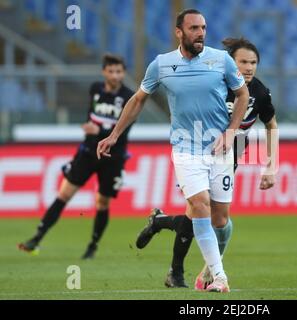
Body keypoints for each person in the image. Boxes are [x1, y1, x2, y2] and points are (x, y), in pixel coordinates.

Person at [96, 9, 249, 293]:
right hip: (185, 148)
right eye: (193, 28)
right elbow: (138, 99)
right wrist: (114, 134)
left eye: (203, 27)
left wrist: (231, 131)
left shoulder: (221, 60)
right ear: (179, 32)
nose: (200, 33)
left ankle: (161, 221)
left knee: (219, 218)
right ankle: (220, 277)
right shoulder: (161, 65)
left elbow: (243, 95)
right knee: (200, 204)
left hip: (219, 148)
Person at [135, 37, 279, 289]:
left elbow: (271, 126)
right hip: (195, 151)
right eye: (242, 62)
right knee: (197, 210)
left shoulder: (259, 92)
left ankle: (160, 222)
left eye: (253, 62)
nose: (248, 68)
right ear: (228, 63)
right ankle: (180, 273)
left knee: (216, 219)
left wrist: (271, 166)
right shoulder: (214, 83)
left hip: (228, 157)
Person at [18, 54, 134, 259]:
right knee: (64, 194)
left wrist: (97, 130)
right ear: (104, 72)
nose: (116, 76)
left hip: (112, 158)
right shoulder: (95, 90)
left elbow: (123, 129)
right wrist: (93, 130)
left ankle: (92, 246)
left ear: (123, 73)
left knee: (102, 203)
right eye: (112, 71)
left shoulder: (129, 97)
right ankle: (36, 238)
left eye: (119, 71)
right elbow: (91, 116)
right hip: (88, 153)